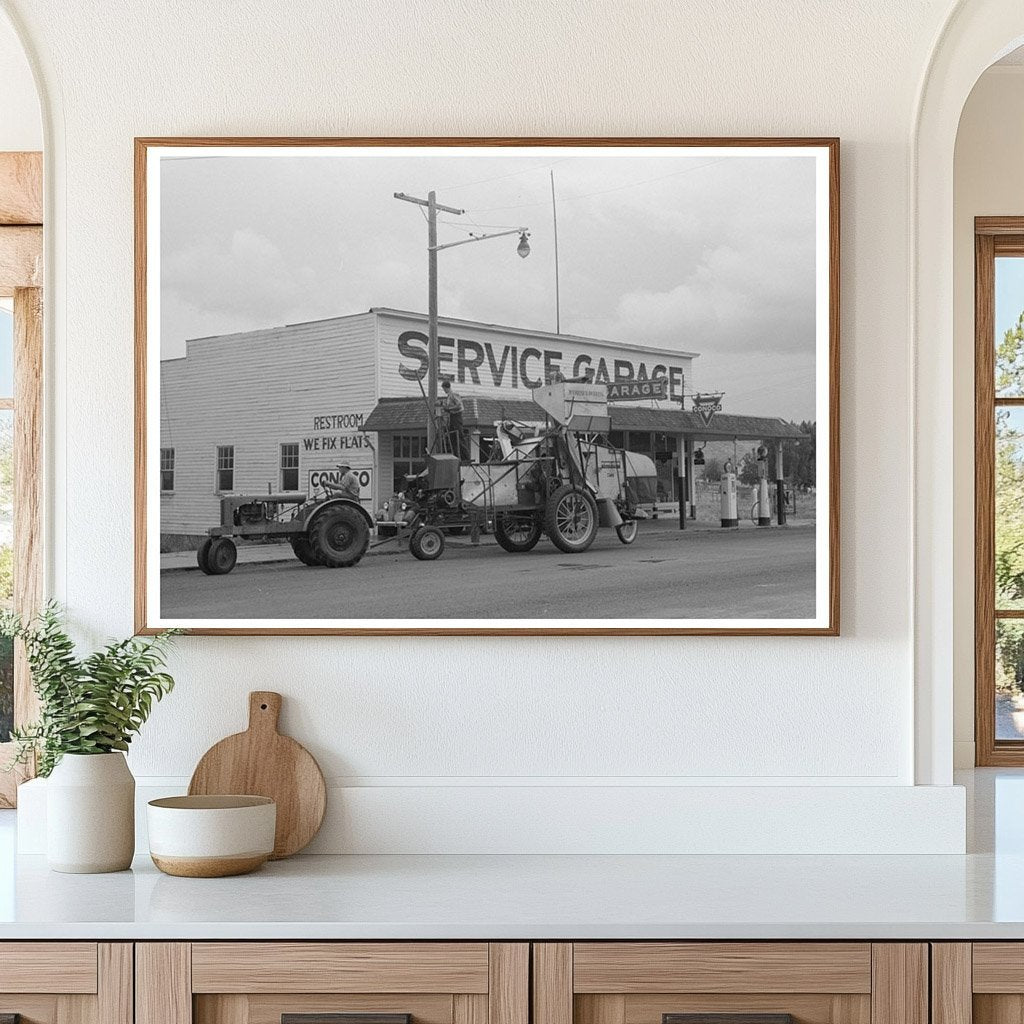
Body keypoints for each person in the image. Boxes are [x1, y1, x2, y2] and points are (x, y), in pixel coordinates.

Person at [440, 379, 469, 460]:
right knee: (453, 438)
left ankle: (466, 457)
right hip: (452, 417)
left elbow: (459, 405)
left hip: (457, 416)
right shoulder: (448, 397)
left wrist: (449, 408)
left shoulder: (453, 395)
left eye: (444, 389)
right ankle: (456, 456)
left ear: (446, 387)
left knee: (459, 437)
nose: (444, 391)